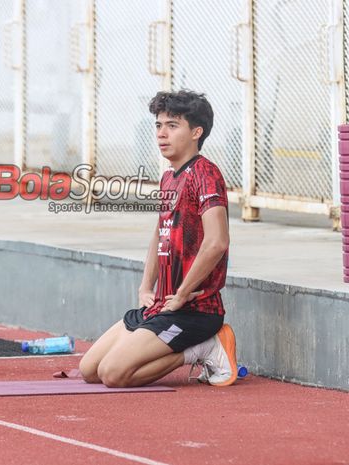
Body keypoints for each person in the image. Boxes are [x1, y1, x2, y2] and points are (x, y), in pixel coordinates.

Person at [79, 90, 237, 388]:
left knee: (114, 374)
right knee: (89, 370)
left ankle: (204, 348)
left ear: (196, 132)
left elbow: (217, 241)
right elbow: (160, 233)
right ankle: (186, 341)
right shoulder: (168, 177)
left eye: (172, 126)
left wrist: (182, 293)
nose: (162, 134)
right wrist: (145, 287)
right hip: (160, 307)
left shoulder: (205, 174)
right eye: (158, 125)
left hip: (192, 311)